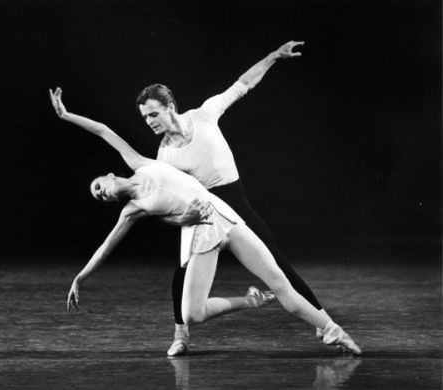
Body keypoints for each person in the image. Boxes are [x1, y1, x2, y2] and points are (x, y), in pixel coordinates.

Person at [49, 87, 361, 355]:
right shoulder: (131, 211)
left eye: (99, 187)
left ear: (110, 175)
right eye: (98, 198)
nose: (101, 194)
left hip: (225, 214)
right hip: (202, 235)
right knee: (192, 313)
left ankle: (334, 331)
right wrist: (80, 278)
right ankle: (248, 302)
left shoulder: (139, 162)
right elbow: (106, 248)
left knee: (280, 282)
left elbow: (104, 131)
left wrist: (66, 116)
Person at [136, 40, 339, 356]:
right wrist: (182, 216)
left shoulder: (204, 114)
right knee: (182, 273)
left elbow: (243, 84)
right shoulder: (164, 156)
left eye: (152, 114)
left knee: (279, 266)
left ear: (169, 107)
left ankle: (319, 319)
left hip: (237, 201)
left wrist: (272, 57)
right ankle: (181, 335)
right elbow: (166, 200)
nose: (149, 122)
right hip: (206, 212)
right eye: (145, 118)